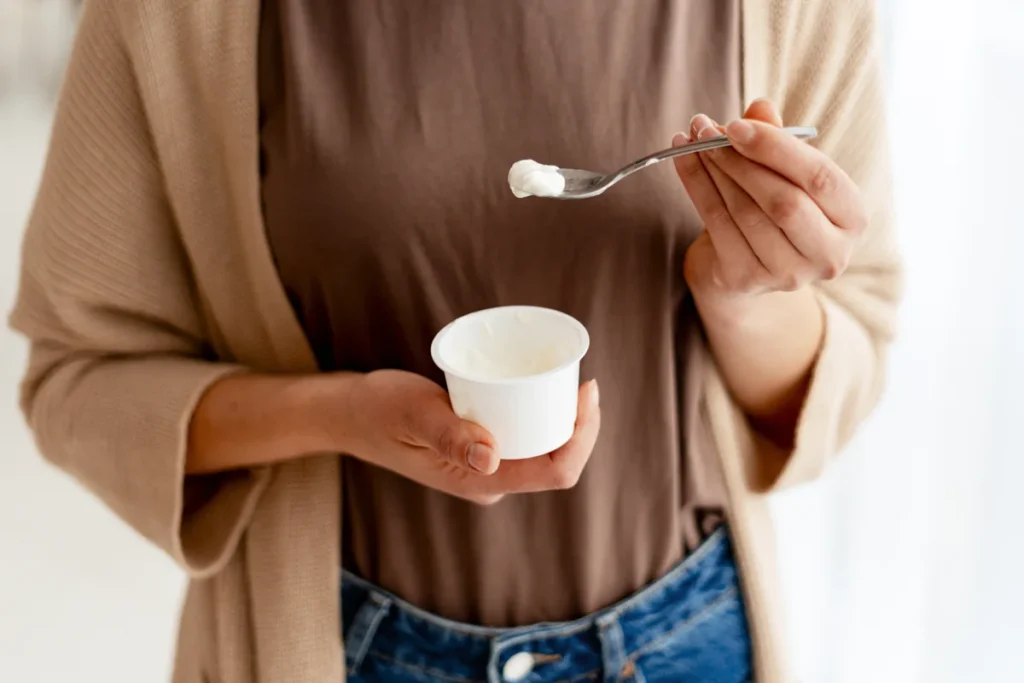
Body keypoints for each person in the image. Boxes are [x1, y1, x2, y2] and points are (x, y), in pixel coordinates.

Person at [10, 0, 901, 681]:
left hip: (688, 637)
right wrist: (340, 414)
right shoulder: (181, 21)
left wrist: (741, 293)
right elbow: (82, 375)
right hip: (346, 646)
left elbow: (852, 345)